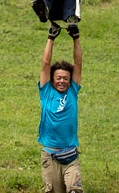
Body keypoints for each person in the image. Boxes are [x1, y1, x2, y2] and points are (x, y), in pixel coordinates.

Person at [38, 20, 83, 192]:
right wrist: (51, 37)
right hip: (50, 155)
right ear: (52, 79)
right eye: (58, 78)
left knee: (74, 189)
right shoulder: (46, 92)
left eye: (65, 78)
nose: (62, 81)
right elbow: (45, 64)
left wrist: (76, 38)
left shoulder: (72, 90)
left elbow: (78, 64)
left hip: (70, 155)